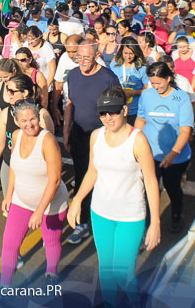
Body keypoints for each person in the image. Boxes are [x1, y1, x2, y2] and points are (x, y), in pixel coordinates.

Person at [69, 87, 161, 307]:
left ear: (125, 110)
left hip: (130, 216)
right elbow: (92, 171)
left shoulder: (138, 141)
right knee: (106, 269)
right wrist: (77, 200)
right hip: (100, 213)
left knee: (123, 272)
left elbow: (150, 182)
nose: (107, 118)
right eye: (102, 113)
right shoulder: (96, 136)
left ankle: (135, 300)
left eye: (113, 112)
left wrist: (155, 222)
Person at [0, 100, 68, 285]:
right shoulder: (16, 136)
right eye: (24, 121)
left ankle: (51, 273)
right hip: (21, 201)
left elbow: (54, 180)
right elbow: (13, 165)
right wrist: (9, 195)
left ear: (39, 118)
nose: (29, 124)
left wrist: (39, 211)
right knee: (9, 245)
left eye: (33, 119)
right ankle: (4, 285)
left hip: (51, 203)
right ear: (17, 121)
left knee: (51, 241)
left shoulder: (47, 141)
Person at [63, 40, 122, 245]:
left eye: (87, 58)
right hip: (80, 136)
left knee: (107, 179)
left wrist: (115, 136)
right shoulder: (73, 75)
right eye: (79, 57)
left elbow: (119, 108)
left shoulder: (108, 78)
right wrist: (66, 131)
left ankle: (109, 220)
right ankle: (83, 224)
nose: (82, 62)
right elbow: (70, 103)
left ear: (97, 56)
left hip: (104, 138)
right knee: (81, 178)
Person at [135, 62, 194, 232]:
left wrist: (173, 154)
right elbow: (141, 119)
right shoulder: (147, 95)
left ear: (168, 79)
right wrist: (134, 141)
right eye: (152, 83)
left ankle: (177, 214)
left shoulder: (181, 98)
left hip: (176, 158)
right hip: (150, 154)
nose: (155, 87)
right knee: (148, 189)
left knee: (172, 187)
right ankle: (146, 224)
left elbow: (185, 130)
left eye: (158, 83)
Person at [0, 72, 54, 204]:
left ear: (25, 93)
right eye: (7, 91)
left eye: (12, 92)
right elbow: (0, 144)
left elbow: (50, 152)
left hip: (33, 170)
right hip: (9, 165)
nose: (8, 95)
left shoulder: (42, 116)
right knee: (10, 207)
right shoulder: (6, 113)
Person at [109, 40, 148, 126]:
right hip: (118, 110)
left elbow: (147, 90)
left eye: (131, 53)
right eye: (125, 53)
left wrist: (133, 93)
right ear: (121, 52)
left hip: (136, 111)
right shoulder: (114, 66)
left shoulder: (142, 68)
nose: (128, 56)